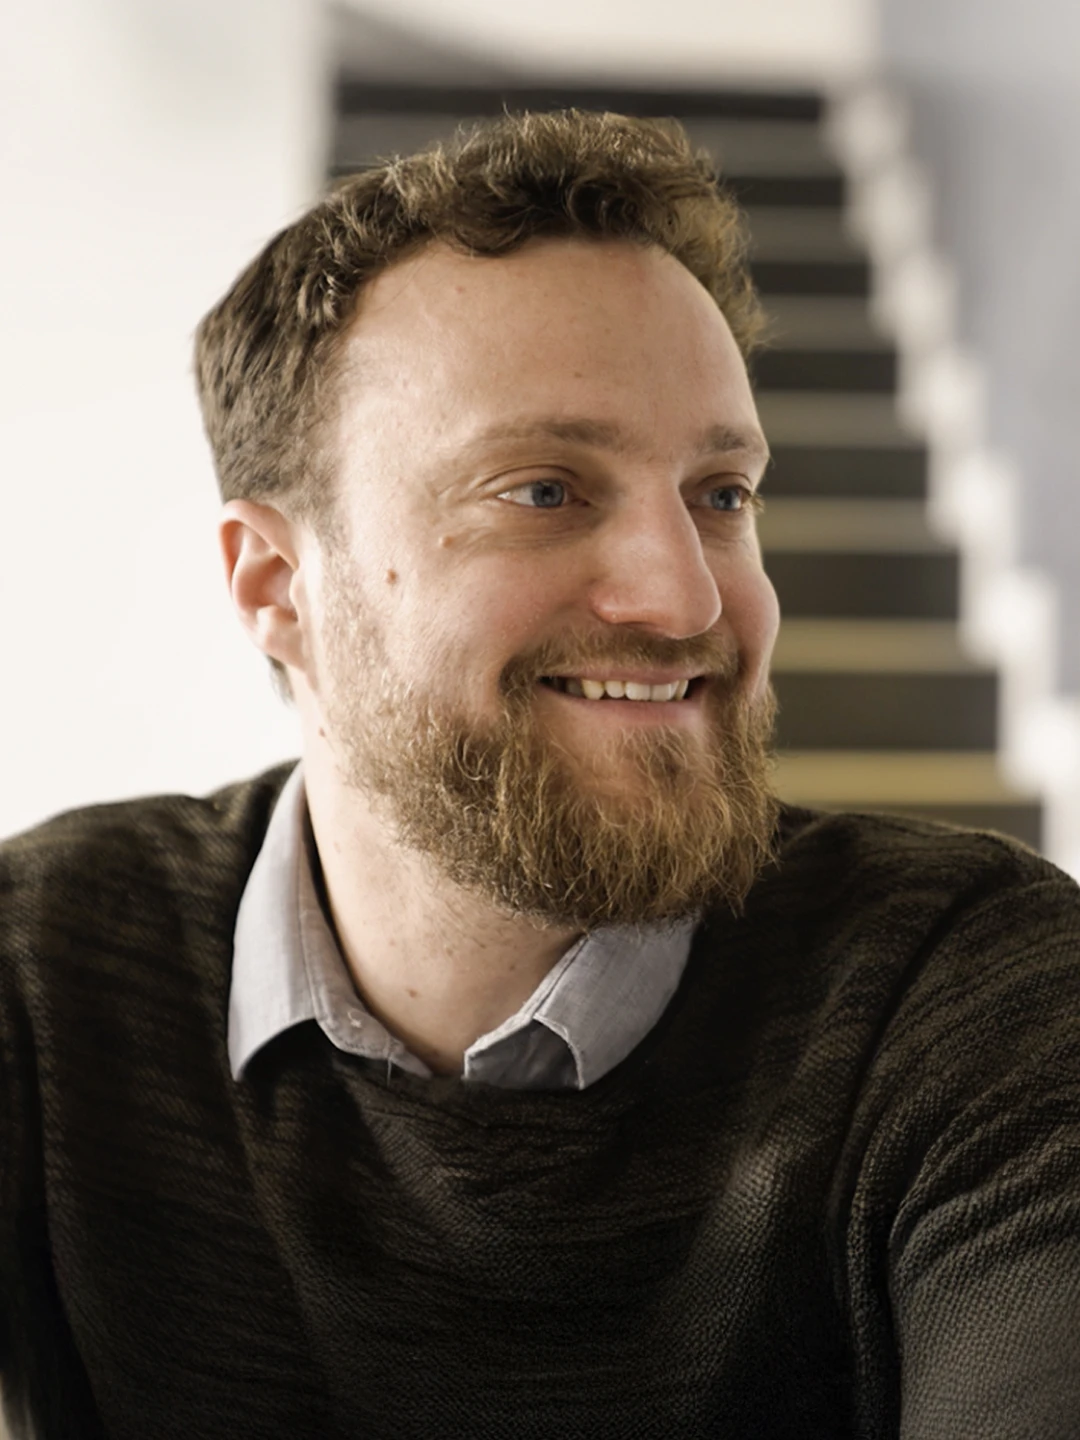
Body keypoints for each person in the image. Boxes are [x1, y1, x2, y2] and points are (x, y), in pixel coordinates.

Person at [1, 109, 1078, 1440]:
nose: (686, 597)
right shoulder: (44, 974)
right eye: (544, 492)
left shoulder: (967, 987)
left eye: (721, 493)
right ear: (277, 584)